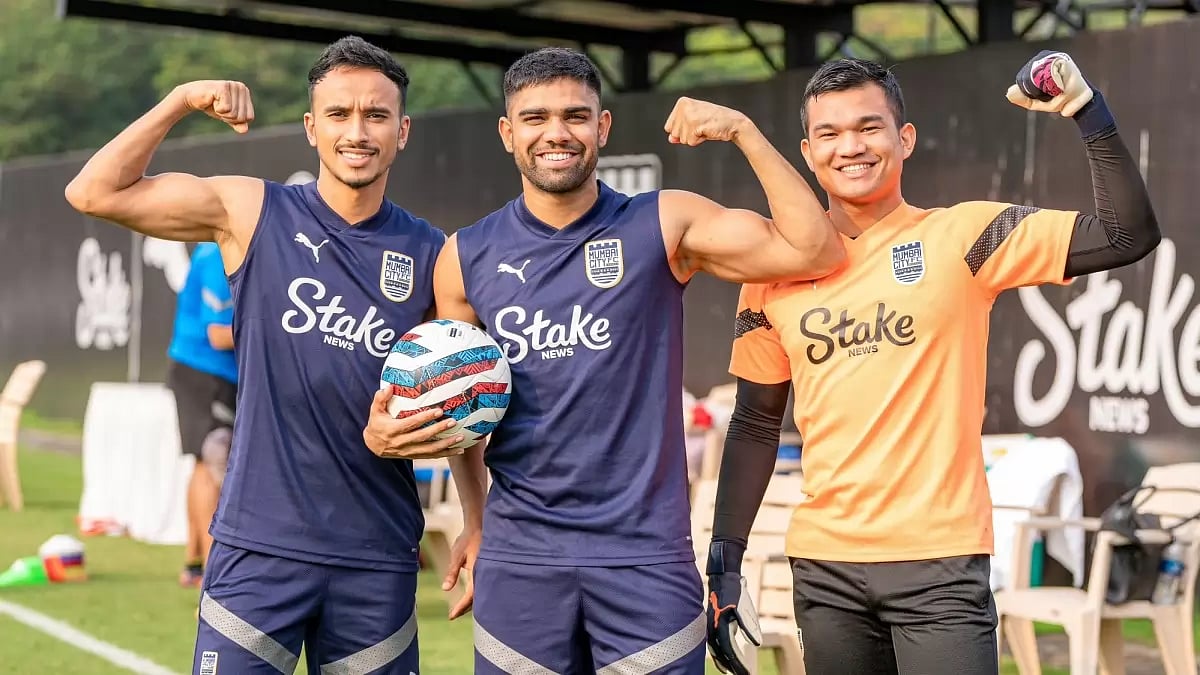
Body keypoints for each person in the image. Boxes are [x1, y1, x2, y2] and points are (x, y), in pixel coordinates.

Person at [703, 51, 1160, 675]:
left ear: (905, 139)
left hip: (941, 566)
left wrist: (1086, 109)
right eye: (829, 134)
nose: (850, 147)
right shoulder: (770, 275)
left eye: (869, 127)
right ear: (808, 153)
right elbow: (756, 423)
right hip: (825, 570)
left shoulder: (964, 237)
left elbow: (1127, 234)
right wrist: (725, 564)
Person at [425, 46, 847, 674]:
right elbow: (460, 404)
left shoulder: (662, 222)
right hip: (521, 560)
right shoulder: (464, 256)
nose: (556, 133)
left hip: (645, 558)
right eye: (536, 118)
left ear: (603, 127)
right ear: (508, 133)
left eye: (575, 115)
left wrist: (743, 132)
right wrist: (476, 518)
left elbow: (815, 250)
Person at [65, 35, 463, 675]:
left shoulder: (432, 253)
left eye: (376, 115)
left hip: (376, 553)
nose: (356, 131)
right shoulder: (252, 210)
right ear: (311, 127)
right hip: (258, 547)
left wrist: (470, 510)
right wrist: (180, 100)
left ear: (402, 130)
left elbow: (462, 403)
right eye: (338, 114)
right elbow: (93, 193)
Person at [166, 241, 238, 588]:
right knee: (212, 460)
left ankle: (195, 564)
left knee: (201, 464)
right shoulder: (218, 254)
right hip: (204, 372)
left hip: (214, 372)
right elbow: (219, 335)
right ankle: (214, 574)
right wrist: (281, 329)